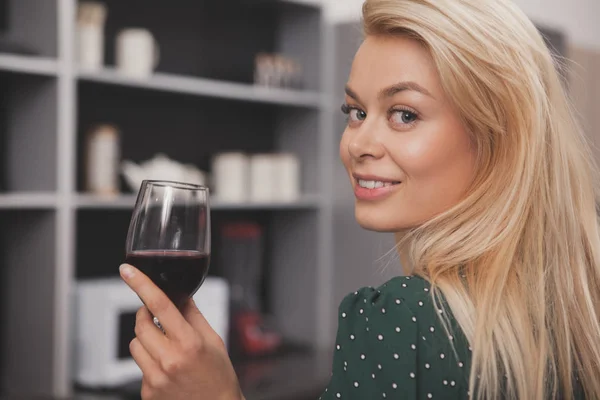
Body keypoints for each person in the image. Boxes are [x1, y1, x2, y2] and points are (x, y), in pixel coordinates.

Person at [118, 0, 600, 398]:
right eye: (356, 111)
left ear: (499, 139)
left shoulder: (400, 321)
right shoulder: (576, 306)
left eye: (404, 114)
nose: (358, 144)